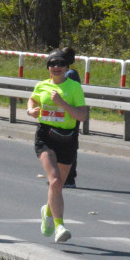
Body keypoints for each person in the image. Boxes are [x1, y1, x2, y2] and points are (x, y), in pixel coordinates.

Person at [27, 47, 88, 244]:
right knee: (54, 181)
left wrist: (61, 102)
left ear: (66, 67)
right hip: (46, 136)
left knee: (58, 184)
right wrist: (31, 111)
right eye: (53, 64)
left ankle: (47, 210)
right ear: (48, 67)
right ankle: (60, 225)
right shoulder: (42, 85)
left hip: (68, 138)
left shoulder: (74, 88)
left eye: (61, 63)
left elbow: (82, 116)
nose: (57, 67)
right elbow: (32, 99)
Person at [61, 47, 80, 188]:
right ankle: (63, 177)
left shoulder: (70, 74)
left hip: (72, 114)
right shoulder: (65, 73)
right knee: (61, 146)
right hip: (65, 114)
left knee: (69, 146)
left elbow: (69, 94)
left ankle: (69, 178)